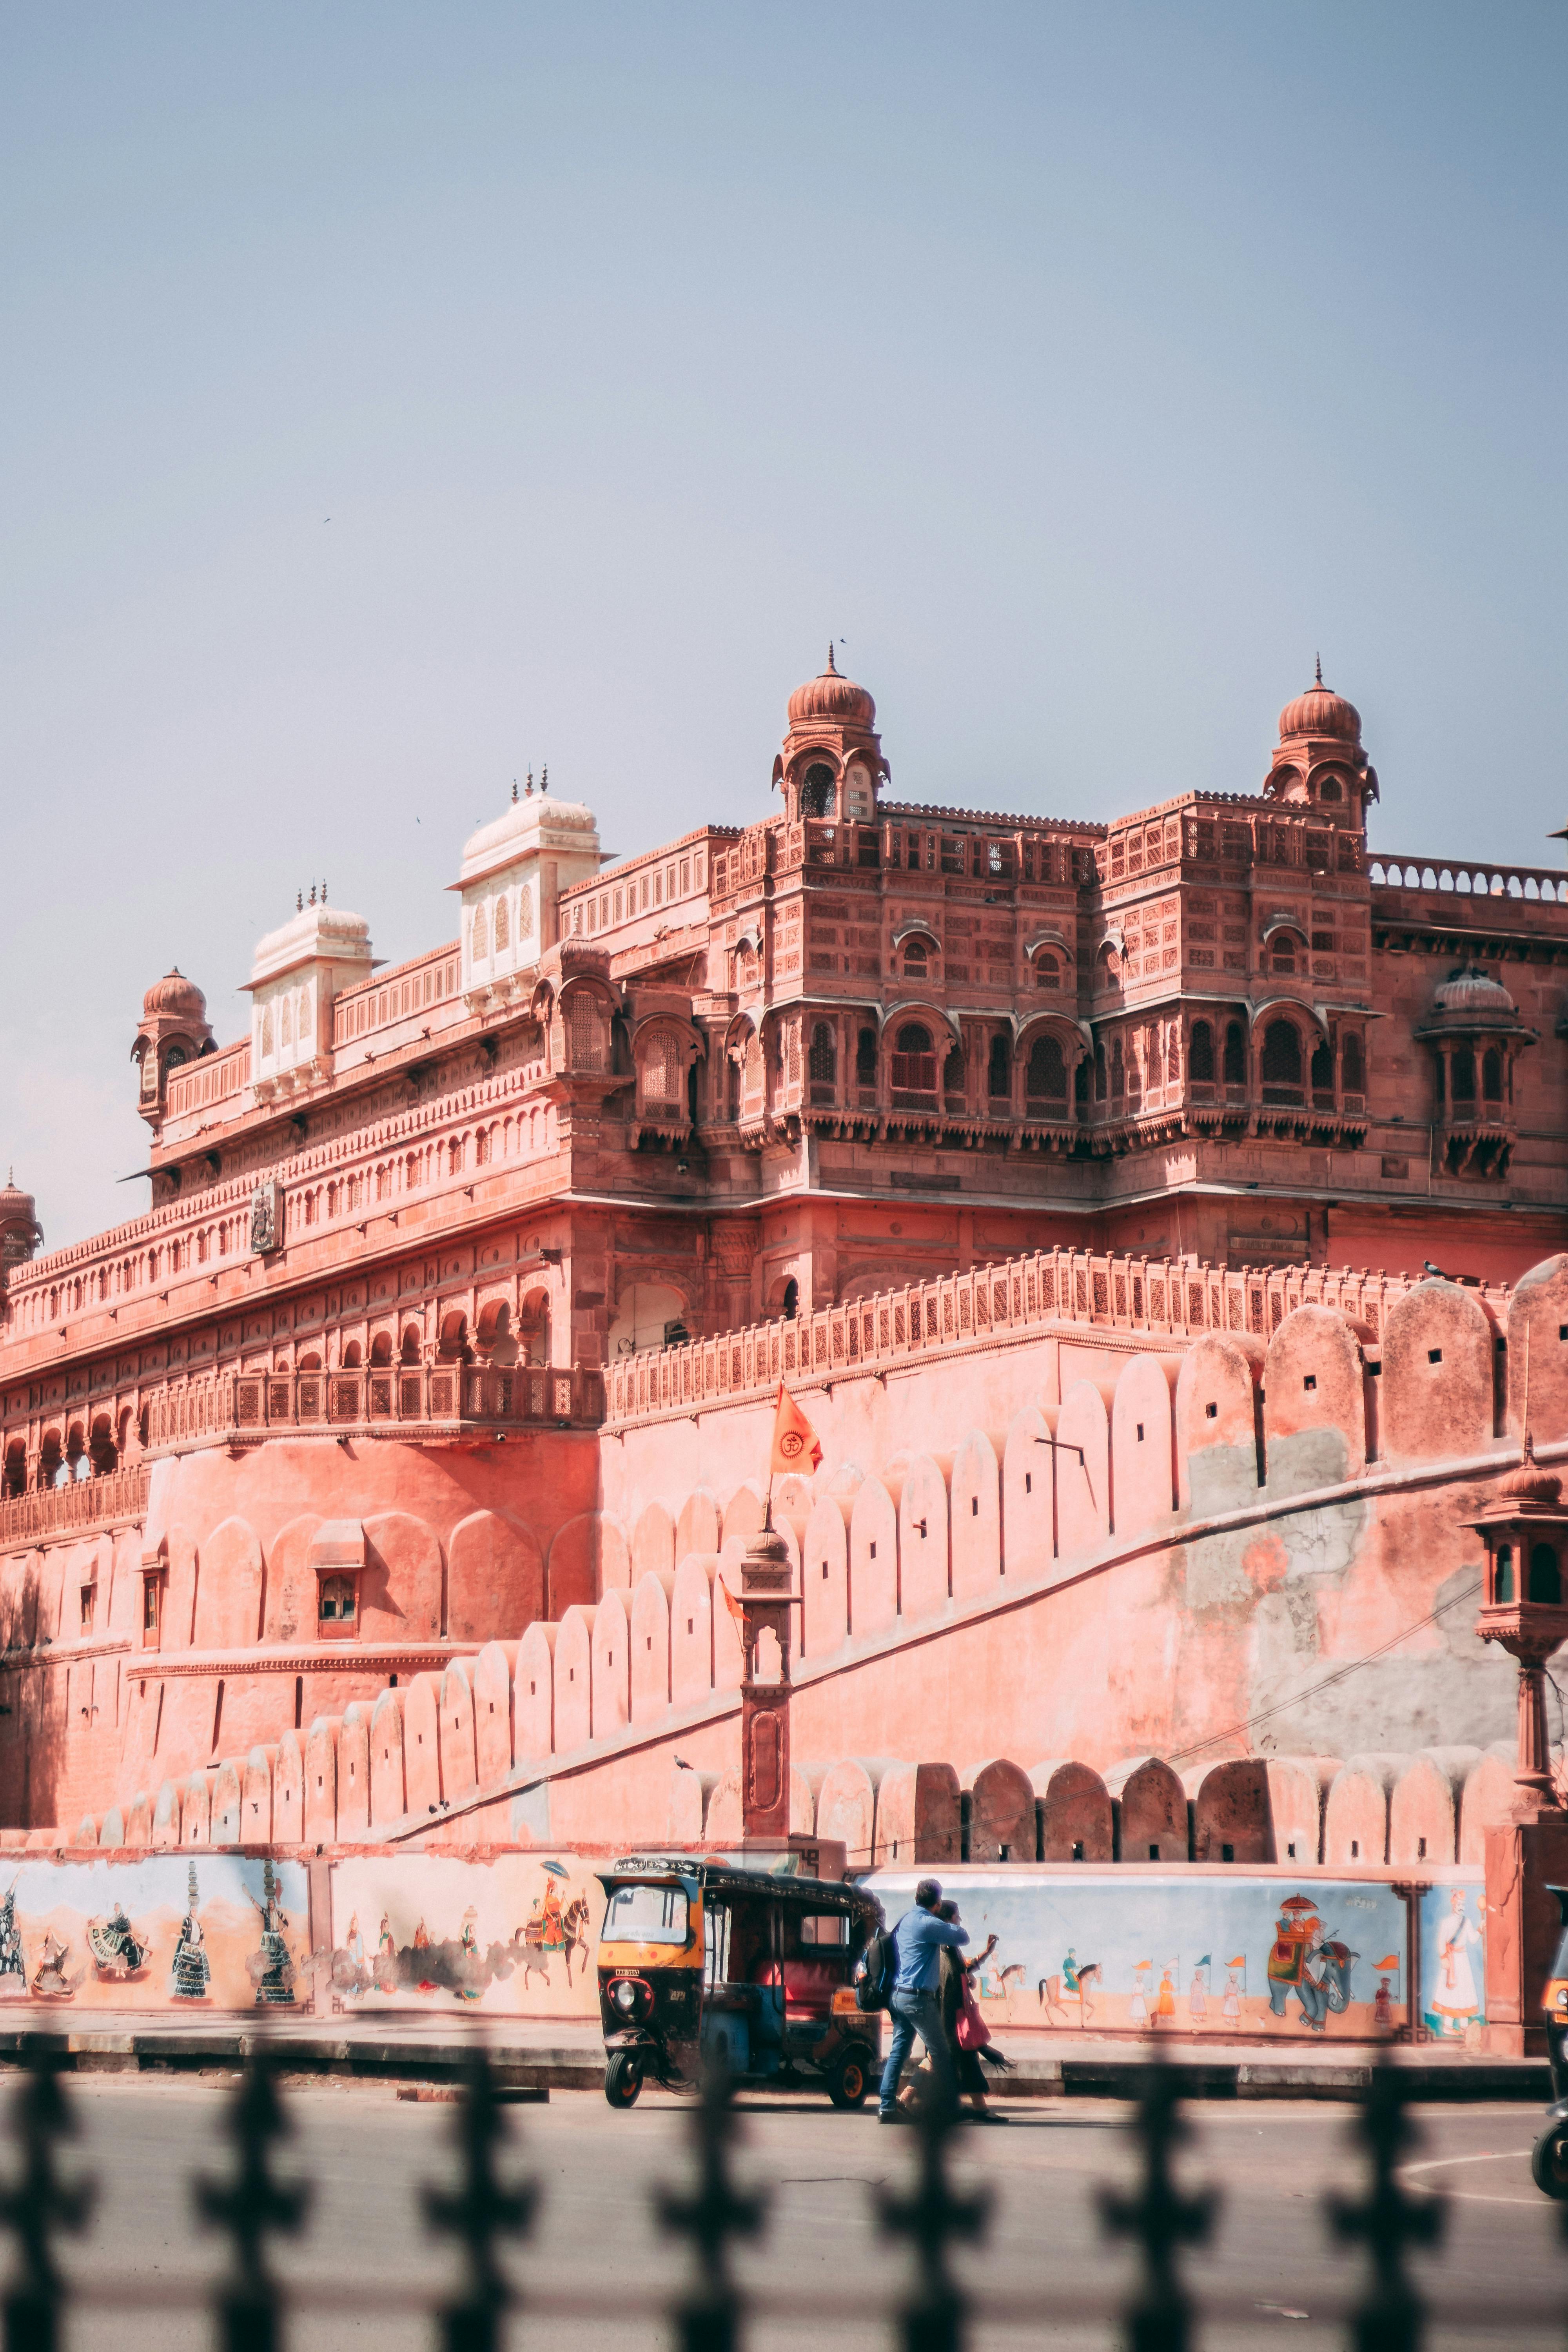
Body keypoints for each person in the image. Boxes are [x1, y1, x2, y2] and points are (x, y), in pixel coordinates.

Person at [900, 1900, 1010, 2123]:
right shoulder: (945, 1948)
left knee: (934, 2059)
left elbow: (962, 1969)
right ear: (949, 1920)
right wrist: (958, 2015)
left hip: (944, 2017)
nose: (960, 1920)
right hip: (951, 2019)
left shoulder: (944, 1947)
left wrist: (986, 1953)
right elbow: (952, 1980)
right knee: (966, 2059)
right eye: (957, 1916)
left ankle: (906, 2098)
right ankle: (979, 2107)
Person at [877, 1877, 968, 2123]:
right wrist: (945, 1921)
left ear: (917, 1898)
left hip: (899, 1996)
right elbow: (963, 1936)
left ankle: (887, 2108)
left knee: (898, 2053)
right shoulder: (928, 1923)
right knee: (941, 2054)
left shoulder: (907, 1919)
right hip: (919, 2000)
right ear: (937, 1902)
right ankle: (948, 2107)